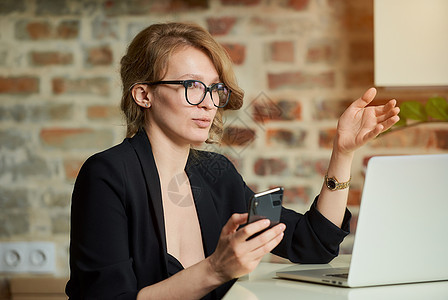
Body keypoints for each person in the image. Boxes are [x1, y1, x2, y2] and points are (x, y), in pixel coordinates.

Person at [66, 22, 400, 299]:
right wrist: (216, 269)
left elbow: (313, 244)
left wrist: (342, 152)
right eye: (191, 86)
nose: (209, 103)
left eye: (214, 89)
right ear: (144, 94)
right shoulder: (107, 175)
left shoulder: (216, 175)